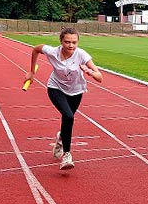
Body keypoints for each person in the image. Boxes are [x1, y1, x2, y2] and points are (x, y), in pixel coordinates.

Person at [24, 27, 103, 171]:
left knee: (67, 119)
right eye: (67, 42)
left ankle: (61, 137)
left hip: (76, 91)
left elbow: (100, 77)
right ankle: (67, 154)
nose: (71, 46)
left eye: (74, 42)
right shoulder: (52, 51)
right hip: (56, 88)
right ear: (61, 41)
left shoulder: (82, 55)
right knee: (68, 116)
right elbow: (36, 49)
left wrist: (90, 72)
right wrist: (31, 71)